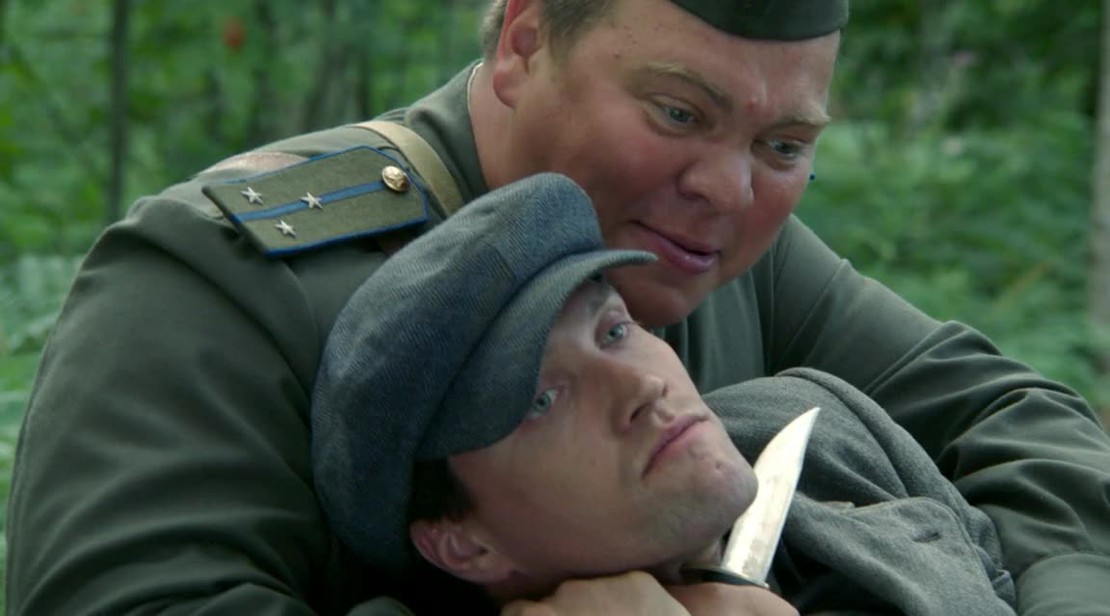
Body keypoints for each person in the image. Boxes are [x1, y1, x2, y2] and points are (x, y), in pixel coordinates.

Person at [5, 0, 1109, 614]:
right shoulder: (222, 281)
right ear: (523, 40)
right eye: (678, 112)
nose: (730, 189)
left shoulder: (712, 246)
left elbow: (1025, 425)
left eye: (783, 146)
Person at [311, 173, 1017, 615]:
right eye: (542, 401)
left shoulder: (820, 428)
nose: (642, 387)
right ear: (465, 545)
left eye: (615, 331)